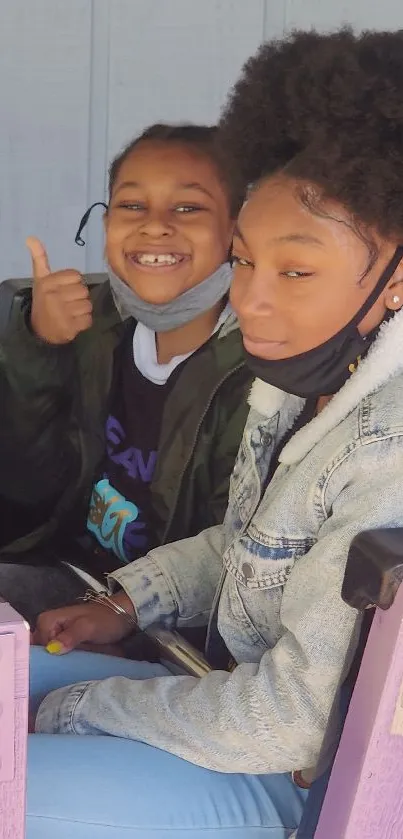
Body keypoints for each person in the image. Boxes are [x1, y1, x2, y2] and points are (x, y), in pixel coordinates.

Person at [27, 26, 403, 838]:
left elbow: (294, 721)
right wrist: (128, 601)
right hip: (222, 694)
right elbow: (246, 544)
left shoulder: (386, 455)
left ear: (395, 278)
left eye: (295, 270)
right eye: (242, 260)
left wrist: (83, 707)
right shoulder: (298, 382)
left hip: (299, 782)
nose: (253, 299)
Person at [0, 123, 251, 625]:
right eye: (132, 206)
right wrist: (40, 347)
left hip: (170, 630)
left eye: (188, 207)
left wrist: (124, 609)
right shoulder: (86, 325)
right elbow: (24, 485)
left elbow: (235, 558)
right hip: (68, 575)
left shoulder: (256, 369)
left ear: (236, 232)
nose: (155, 225)